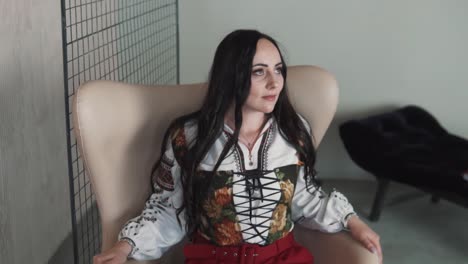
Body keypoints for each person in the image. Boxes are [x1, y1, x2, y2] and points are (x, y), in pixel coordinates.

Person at [93, 29, 383, 264]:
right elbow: (170, 209)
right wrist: (126, 246)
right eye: (259, 72)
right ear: (231, 76)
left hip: (282, 258)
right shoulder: (188, 137)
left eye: (278, 69)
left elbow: (305, 198)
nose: (274, 82)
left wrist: (352, 221)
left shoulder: (294, 131)